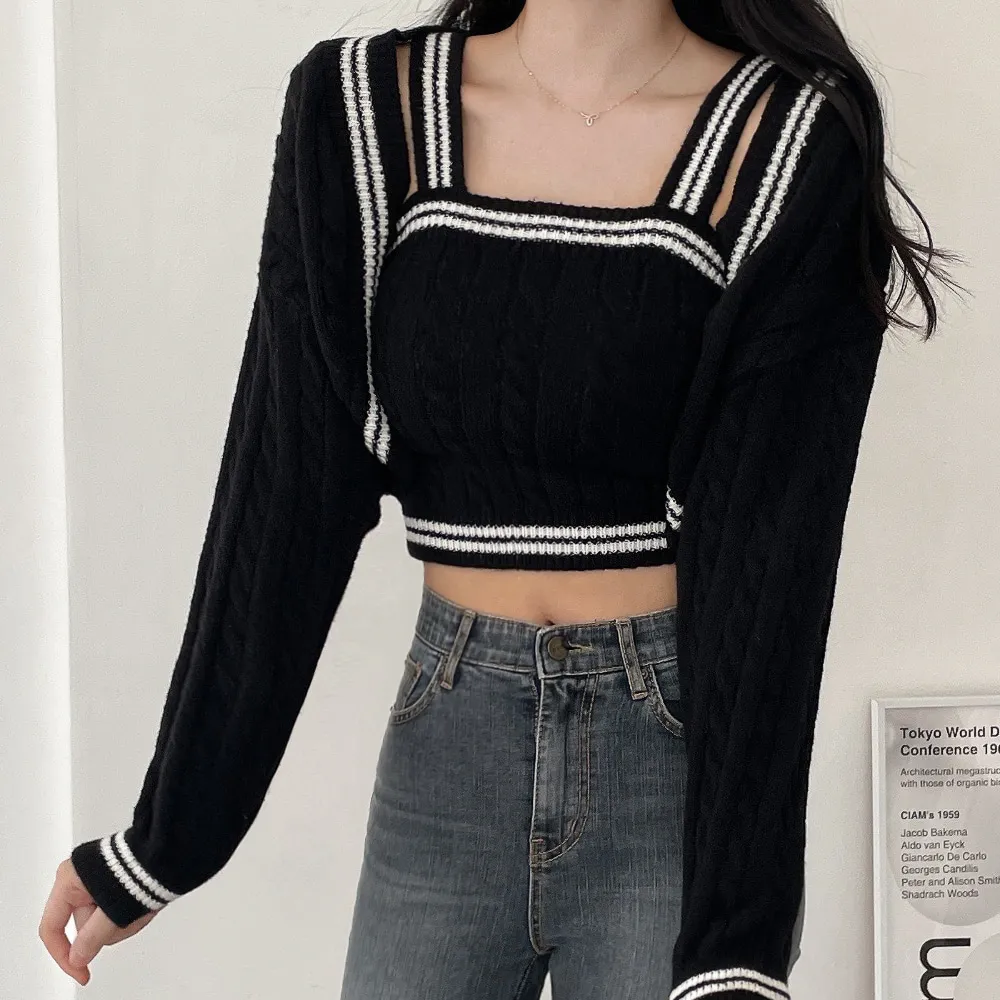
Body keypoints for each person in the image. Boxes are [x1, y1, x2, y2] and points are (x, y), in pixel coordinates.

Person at [40, 0, 959, 996]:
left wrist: (738, 940)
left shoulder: (785, 139)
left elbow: (769, 560)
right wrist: (167, 836)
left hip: (670, 759)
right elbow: (285, 495)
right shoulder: (364, 109)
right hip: (448, 743)